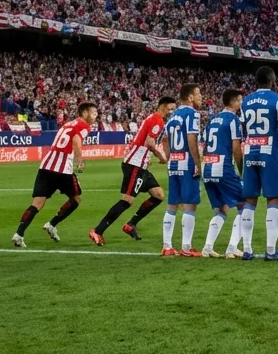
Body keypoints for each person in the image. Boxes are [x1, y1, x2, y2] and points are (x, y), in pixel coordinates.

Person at [89, 96, 175, 246]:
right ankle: (98, 230)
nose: (171, 111)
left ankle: (131, 224)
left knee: (158, 195)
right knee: (127, 201)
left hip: (140, 165)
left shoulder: (154, 119)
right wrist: (161, 157)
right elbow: (149, 143)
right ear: (163, 106)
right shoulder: (157, 120)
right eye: (171, 108)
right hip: (134, 165)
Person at [13, 101, 96, 248]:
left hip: (46, 166)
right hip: (63, 169)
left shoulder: (69, 124)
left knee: (37, 204)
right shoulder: (84, 126)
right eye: (93, 113)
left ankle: (19, 234)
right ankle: (52, 224)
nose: (95, 116)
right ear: (85, 113)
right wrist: (79, 160)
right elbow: (76, 141)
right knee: (76, 199)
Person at [232, 67, 278, 260]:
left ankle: (247, 249)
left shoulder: (246, 101)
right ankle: (271, 251)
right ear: (272, 81)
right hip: (269, 151)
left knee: (250, 200)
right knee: (272, 199)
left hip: (250, 151)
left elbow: (244, 129)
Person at [199, 89, 244, 258]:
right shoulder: (233, 119)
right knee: (244, 205)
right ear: (232, 101)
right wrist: (242, 171)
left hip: (208, 166)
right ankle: (232, 247)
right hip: (222, 166)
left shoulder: (212, 120)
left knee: (222, 208)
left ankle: (208, 247)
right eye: (239, 100)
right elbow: (236, 148)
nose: (240, 103)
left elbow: (204, 146)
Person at [163, 84, 205, 257]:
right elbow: (191, 138)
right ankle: (186, 247)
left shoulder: (172, 117)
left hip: (173, 163)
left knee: (172, 204)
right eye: (198, 94)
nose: (201, 96)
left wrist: (169, 157)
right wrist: (197, 163)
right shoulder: (193, 114)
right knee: (189, 204)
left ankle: (167, 246)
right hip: (187, 162)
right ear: (190, 98)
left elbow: (165, 140)